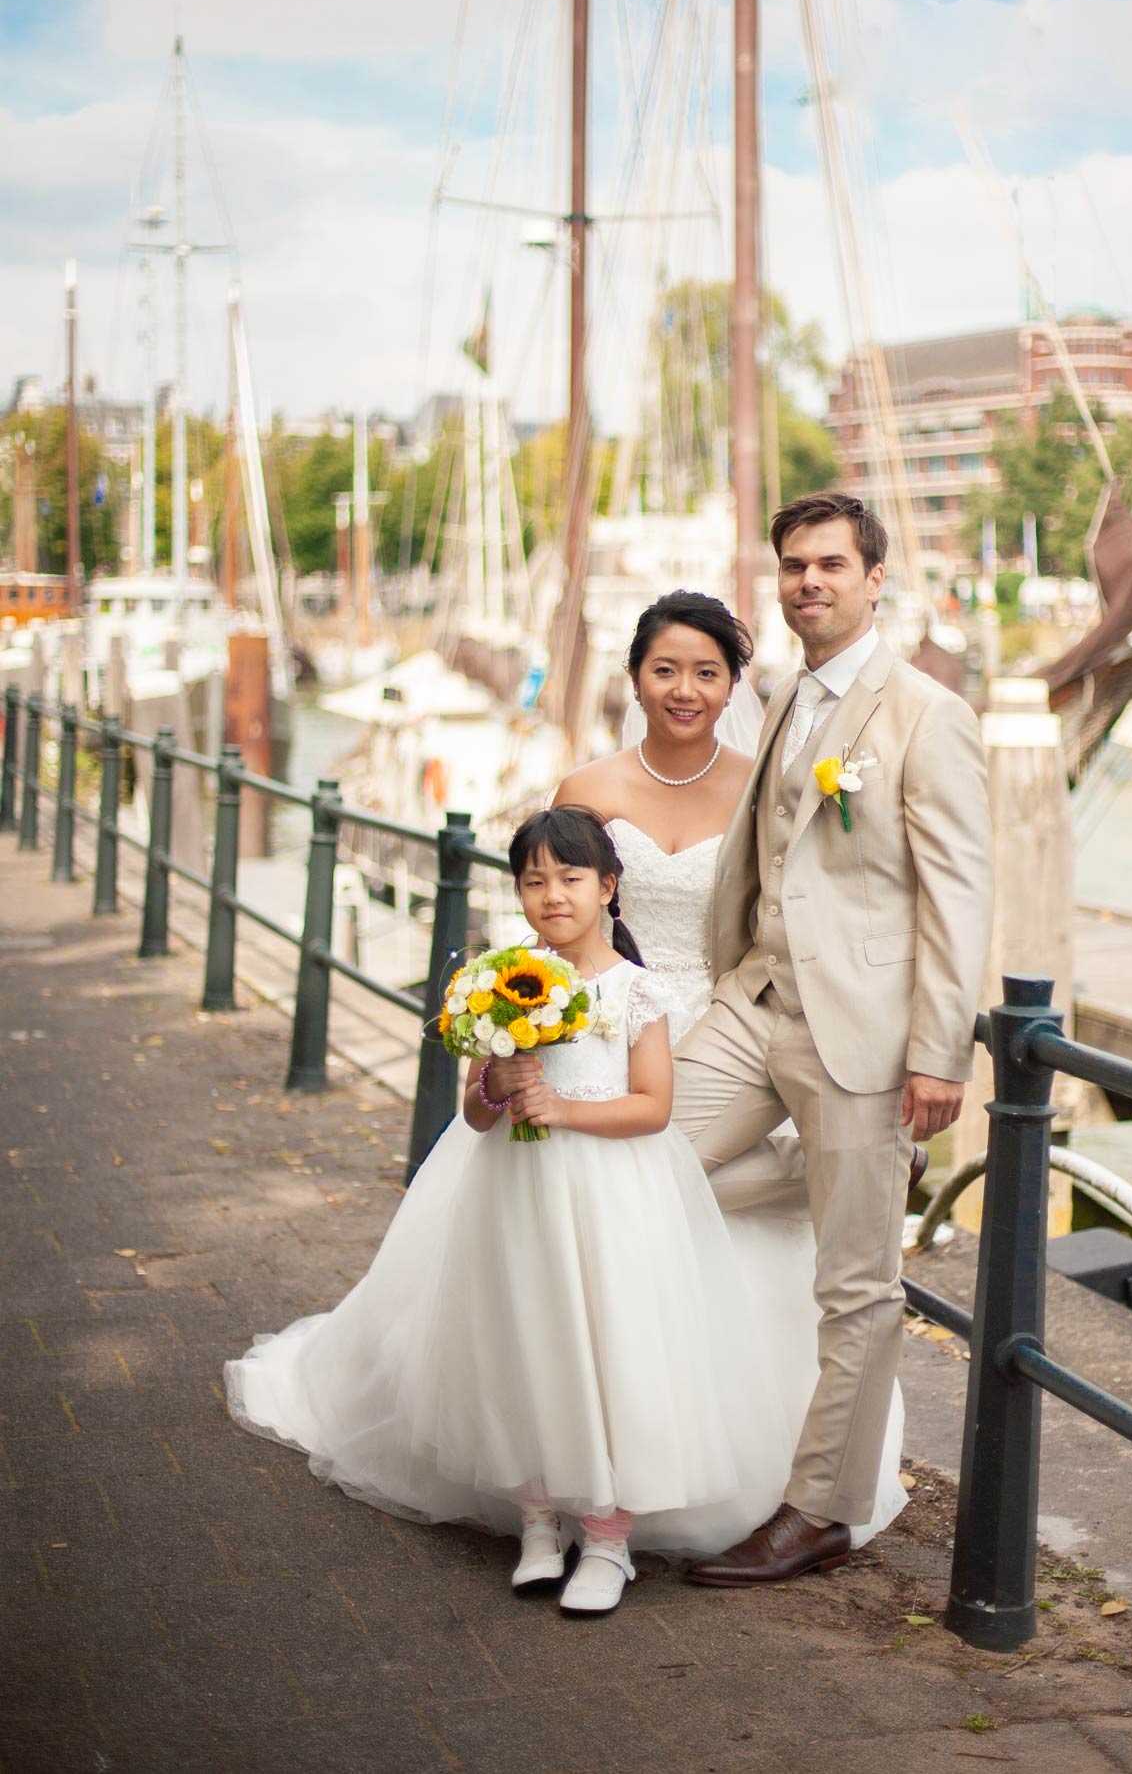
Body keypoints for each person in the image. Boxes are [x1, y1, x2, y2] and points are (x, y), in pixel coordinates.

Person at [226, 806, 798, 1616]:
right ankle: (538, 1521)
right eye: (533, 880)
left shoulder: (634, 990)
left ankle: (607, 1536)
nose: (551, 895)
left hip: (611, 1197)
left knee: (607, 1345)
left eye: (569, 878)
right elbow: (476, 1113)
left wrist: (561, 1108)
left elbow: (653, 1107)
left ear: (608, 887)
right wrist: (499, 1080)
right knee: (526, 1336)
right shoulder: (502, 981)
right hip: (519, 1193)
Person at [670, 490, 994, 1587]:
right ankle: (815, 1175)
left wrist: (939, 1052)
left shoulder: (923, 714)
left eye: (829, 565)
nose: (808, 581)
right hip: (752, 1006)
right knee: (637, 1160)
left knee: (856, 1287)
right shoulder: (778, 695)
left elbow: (957, 894)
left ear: (872, 580)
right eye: (793, 566)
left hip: (860, 1037)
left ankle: (819, 1511)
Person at [544, 588, 910, 1550]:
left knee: (658, 1174)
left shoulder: (765, 786)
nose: (685, 688)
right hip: (611, 1021)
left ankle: (752, 1474)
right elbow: (555, 915)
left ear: (732, 683)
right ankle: (802, 1180)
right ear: (635, 678)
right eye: (666, 669)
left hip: (726, 1022)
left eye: (707, 671)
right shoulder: (586, 786)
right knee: (599, 1181)